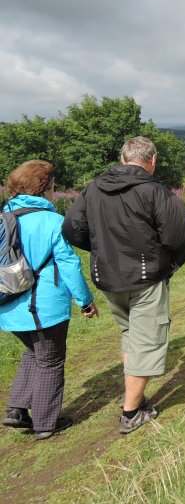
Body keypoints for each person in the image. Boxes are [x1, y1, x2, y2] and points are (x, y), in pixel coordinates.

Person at [62, 136, 185, 434]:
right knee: (147, 341)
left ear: (123, 159)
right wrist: (164, 261)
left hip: (109, 277)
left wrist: (102, 250)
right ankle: (131, 412)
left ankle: (135, 396)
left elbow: (72, 229)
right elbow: (178, 236)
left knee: (131, 335)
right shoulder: (156, 193)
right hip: (145, 278)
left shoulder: (93, 190)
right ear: (152, 161)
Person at [0, 160, 98, 440]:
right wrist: (85, 300)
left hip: (9, 305)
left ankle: (16, 409)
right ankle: (46, 424)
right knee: (51, 360)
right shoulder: (53, 222)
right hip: (43, 308)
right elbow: (69, 265)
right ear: (43, 188)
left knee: (34, 353)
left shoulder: (4, 218)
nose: (55, 193)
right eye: (53, 187)